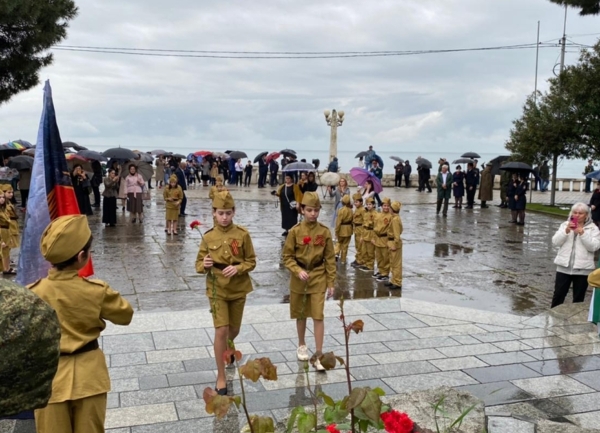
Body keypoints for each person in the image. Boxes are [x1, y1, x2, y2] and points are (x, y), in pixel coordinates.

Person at [29, 215, 133, 433]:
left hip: (48, 379)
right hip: (90, 378)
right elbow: (125, 315)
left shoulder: (32, 294)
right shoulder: (95, 291)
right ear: (81, 256)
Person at [195, 191, 256, 394]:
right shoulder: (208, 236)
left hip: (238, 289)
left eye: (228, 213)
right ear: (213, 213)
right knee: (221, 330)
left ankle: (229, 348)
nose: (224, 217)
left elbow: (251, 261)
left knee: (233, 330)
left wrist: (238, 268)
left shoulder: (242, 234)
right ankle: (221, 376)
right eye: (220, 213)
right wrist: (204, 264)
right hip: (216, 289)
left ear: (234, 212)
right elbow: (198, 264)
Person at [282, 192, 335, 371]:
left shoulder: (324, 232)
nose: (313, 214)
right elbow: (287, 256)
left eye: (316, 210)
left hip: (318, 274)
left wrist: (331, 283)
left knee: (318, 314)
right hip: (300, 277)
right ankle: (302, 344)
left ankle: (319, 352)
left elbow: (330, 259)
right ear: (302, 210)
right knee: (301, 313)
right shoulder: (295, 231)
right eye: (309, 210)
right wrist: (297, 270)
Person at [551, 203, 600, 308]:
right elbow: (555, 241)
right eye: (575, 212)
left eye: (580, 213)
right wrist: (566, 231)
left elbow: (594, 247)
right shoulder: (565, 225)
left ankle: (575, 321)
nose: (577, 215)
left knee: (578, 298)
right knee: (558, 295)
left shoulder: (593, 229)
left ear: (586, 215)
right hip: (563, 267)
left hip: (582, 269)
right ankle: (552, 319)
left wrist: (582, 233)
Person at [372, 197, 392, 282]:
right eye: (384, 206)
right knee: (379, 256)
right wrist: (373, 237)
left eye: (387, 206)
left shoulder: (390, 217)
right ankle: (380, 271)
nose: (386, 207)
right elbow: (374, 227)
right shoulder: (378, 215)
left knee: (386, 257)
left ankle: (385, 273)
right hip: (377, 238)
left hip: (385, 238)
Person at [384, 201, 403, 290]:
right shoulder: (394, 218)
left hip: (394, 243)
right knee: (392, 262)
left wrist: (395, 244)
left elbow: (397, 234)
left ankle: (397, 282)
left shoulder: (395, 220)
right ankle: (393, 280)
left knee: (396, 264)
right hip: (391, 242)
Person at [358, 197, 376, 272]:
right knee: (364, 250)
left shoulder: (375, 214)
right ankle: (365, 263)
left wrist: (374, 238)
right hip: (365, 232)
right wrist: (362, 236)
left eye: (370, 204)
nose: (368, 206)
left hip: (371, 232)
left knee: (370, 251)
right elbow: (363, 225)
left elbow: (376, 226)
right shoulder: (366, 213)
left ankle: (370, 265)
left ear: (373, 205)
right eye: (367, 204)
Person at [335, 195, 353, 265]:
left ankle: (336, 253)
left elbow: (338, 222)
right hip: (348, 229)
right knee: (345, 245)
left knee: (338, 242)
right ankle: (343, 259)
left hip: (341, 229)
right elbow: (352, 221)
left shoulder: (341, 210)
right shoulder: (351, 210)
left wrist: (336, 231)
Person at [351, 192, 365, 268]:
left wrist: (363, 233)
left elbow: (364, 221)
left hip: (360, 229)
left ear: (361, 202)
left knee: (360, 246)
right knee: (357, 245)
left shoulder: (362, 210)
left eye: (356, 202)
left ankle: (360, 260)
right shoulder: (357, 209)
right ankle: (358, 258)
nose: (355, 203)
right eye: (354, 202)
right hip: (356, 229)